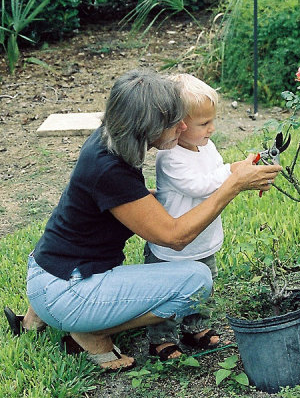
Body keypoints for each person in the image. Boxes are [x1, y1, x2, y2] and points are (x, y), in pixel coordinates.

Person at [4, 69, 282, 372]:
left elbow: (129, 204)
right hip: (68, 289)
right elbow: (174, 237)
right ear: (146, 126)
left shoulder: (109, 143)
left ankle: (41, 316)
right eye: (175, 121)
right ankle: (91, 330)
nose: (184, 125)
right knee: (197, 282)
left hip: (50, 274)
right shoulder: (110, 169)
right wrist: (233, 185)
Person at [144, 74, 236, 360]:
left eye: (212, 121)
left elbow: (215, 173)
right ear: (179, 126)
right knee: (168, 293)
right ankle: (161, 337)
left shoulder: (208, 147)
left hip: (203, 239)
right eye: (204, 123)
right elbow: (199, 185)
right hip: (173, 248)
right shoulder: (169, 157)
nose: (212, 128)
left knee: (203, 287)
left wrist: (231, 171)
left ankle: (195, 327)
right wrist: (236, 171)